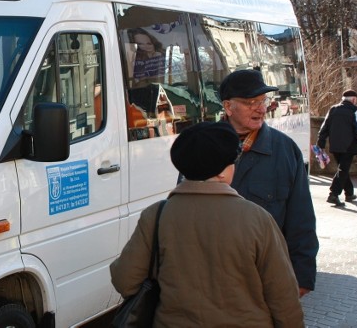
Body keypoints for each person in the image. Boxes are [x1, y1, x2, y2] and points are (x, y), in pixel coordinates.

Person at [110, 122, 304, 327]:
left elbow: (124, 280)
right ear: (222, 172)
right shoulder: (257, 219)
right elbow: (284, 297)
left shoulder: (157, 215)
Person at [219, 69, 318, 297]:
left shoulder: (285, 149)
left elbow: (301, 217)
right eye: (250, 102)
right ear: (228, 106)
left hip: (264, 280)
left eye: (263, 101)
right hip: (213, 280)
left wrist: (302, 277)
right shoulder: (204, 145)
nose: (261, 109)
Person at [316, 89, 357, 206]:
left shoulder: (333, 109)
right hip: (349, 146)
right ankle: (333, 194)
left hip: (335, 146)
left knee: (342, 169)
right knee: (342, 170)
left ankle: (349, 193)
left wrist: (321, 143)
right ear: (353, 99)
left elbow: (324, 127)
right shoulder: (355, 110)